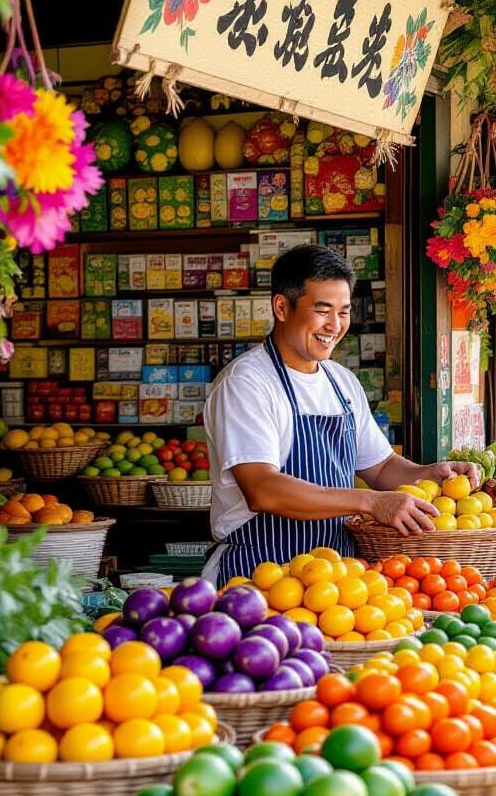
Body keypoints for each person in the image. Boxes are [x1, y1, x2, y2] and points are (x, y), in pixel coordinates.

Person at [202, 244, 480, 584]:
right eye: (323, 310)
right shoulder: (247, 383)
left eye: (344, 312)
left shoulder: (341, 382)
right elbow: (263, 489)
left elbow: (379, 467)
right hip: (258, 578)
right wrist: (370, 502)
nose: (335, 326)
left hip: (336, 583)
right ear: (281, 307)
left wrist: (432, 474)